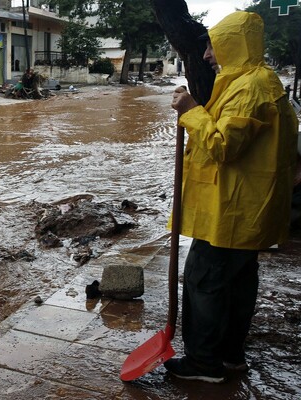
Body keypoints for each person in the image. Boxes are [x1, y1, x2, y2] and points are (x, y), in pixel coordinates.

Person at [167, 11, 298, 383]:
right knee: (237, 281)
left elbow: (223, 145)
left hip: (231, 211)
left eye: (212, 45)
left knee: (204, 278)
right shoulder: (254, 82)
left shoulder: (250, 88)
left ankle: (204, 363)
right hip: (245, 208)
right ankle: (229, 355)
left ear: (233, 44)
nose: (208, 54)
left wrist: (192, 112)